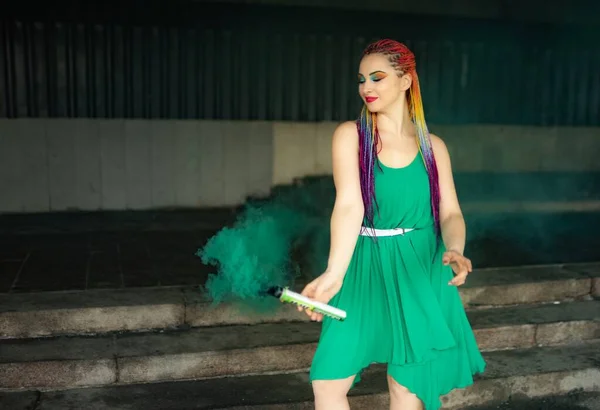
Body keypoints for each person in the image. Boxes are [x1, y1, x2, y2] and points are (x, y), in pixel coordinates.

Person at [297, 39, 487, 410]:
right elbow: (349, 205)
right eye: (361, 79)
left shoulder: (434, 147)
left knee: (406, 386)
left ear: (405, 81)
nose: (366, 87)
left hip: (419, 266)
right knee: (327, 381)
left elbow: (450, 213)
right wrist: (334, 274)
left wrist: (456, 249)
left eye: (377, 77)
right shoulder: (350, 136)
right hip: (364, 265)